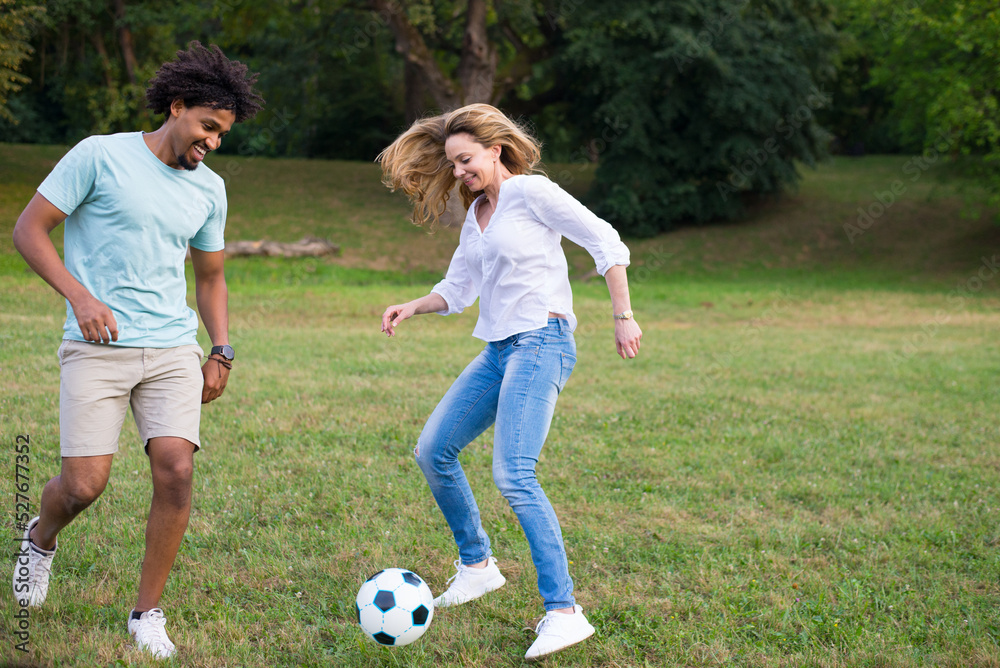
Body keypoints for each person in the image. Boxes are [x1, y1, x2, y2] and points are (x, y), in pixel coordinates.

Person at [10, 42, 263, 660]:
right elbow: (28, 230)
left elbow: (210, 277)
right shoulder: (100, 155)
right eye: (207, 126)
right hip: (96, 347)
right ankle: (40, 540)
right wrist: (81, 297)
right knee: (82, 486)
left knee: (176, 468)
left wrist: (220, 350)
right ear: (176, 106)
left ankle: (147, 613)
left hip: (172, 346)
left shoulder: (210, 189)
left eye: (222, 134)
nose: (212, 142)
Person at [378, 103, 642, 661]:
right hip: (499, 349)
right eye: (452, 164)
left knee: (515, 474)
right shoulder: (477, 217)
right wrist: (412, 305)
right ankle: (477, 566)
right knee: (433, 450)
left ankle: (564, 611)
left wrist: (623, 315)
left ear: (496, 150)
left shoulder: (531, 194)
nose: (459, 172)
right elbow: (458, 288)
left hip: (542, 343)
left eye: (466, 160)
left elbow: (605, 241)